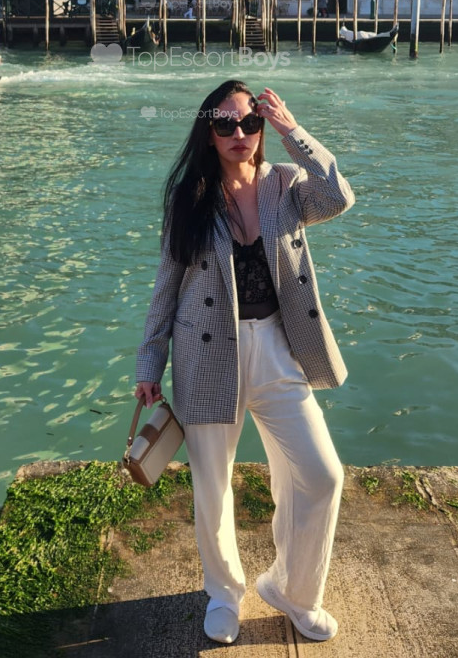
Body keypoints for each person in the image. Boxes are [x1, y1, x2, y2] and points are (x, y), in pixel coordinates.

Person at [135, 80, 354, 646]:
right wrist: (149, 364)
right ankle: (223, 594)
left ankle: (293, 590)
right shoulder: (190, 198)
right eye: (226, 124)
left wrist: (291, 129)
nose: (240, 133)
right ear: (208, 132)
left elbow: (338, 196)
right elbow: (166, 284)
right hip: (206, 355)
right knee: (213, 486)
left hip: (279, 349)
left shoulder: (286, 184)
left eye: (250, 122)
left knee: (321, 475)